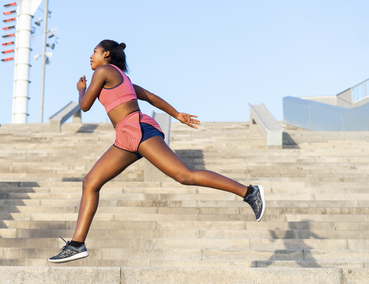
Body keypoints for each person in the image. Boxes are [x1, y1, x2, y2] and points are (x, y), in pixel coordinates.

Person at [49, 39, 265, 263]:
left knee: (184, 175)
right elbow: (150, 97)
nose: (90, 56)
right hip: (125, 137)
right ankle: (77, 245)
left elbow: (84, 105)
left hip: (138, 129)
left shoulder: (103, 71)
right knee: (91, 182)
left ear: (106, 55)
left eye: (94, 52)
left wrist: (81, 90)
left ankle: (249, 192)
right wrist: (176, 114)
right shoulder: (122, 79)